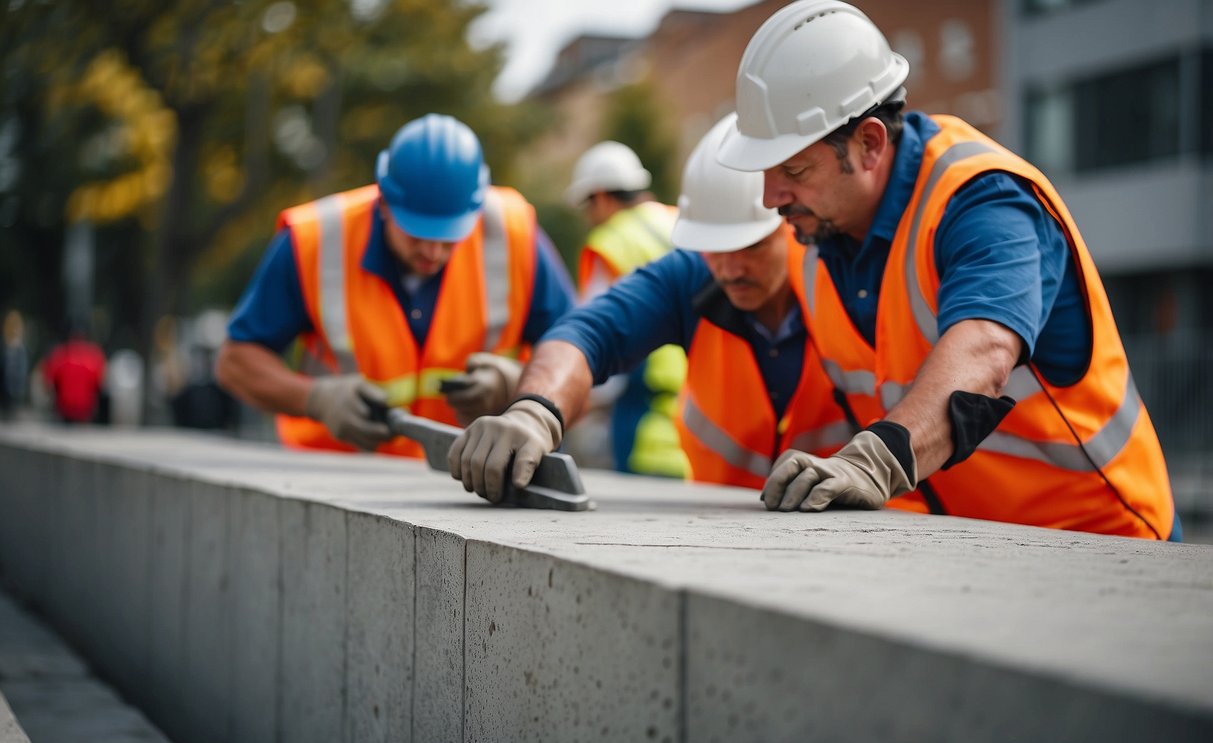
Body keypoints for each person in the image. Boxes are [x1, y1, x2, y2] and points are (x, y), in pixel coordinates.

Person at [713, 0, 1177, 540]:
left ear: (868, 143)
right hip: (975, 543)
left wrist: (870, 464)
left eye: (792, 170)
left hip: (1102, 541)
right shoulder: (819, 228)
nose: (771, 198)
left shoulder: (985, 201)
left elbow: (984, 350)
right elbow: (665, 290)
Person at [448, 114, 892, 505]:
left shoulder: (837, 274)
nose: (731, 268)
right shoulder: (691, 275)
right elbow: (588, 332)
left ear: (790, 221)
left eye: (752, 246)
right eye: (715, 248)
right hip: (724, 520)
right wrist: (534, 410)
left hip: (852, 520)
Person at [216, 113, 576, 456]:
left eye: (450, 237)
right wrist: (314, 399)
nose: (433, 251)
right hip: (333, 477)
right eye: (416, 233)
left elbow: (578, 360)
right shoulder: (315, 240)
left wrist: (519, 385)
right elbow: (235, 361)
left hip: (464, 482)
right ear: (384, 202)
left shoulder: (515, 236)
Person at [565, 141, 688, 478]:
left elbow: (596, 346)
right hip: (702, 427)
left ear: (601, 196)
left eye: (588, 206)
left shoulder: (615, 241)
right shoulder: (681, 221)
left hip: (646, 429)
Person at [42, 328, 107, 424]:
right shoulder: (95, 356)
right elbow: (100, 384)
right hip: (85, 412)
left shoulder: (59, 354)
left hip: (63, 411)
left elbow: (49, 383)